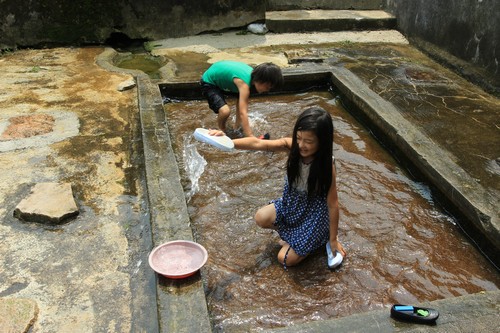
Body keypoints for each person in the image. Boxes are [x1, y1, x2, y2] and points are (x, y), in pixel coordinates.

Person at [213, 106, 346, 268]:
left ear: (322, 141)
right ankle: (297, 237)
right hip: (292, 205)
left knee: (284, 258)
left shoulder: (326, 165)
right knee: (261, 217)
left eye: (309, 141)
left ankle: (320, 240)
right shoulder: (292, 147)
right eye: (298, 138)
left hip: (313, 215)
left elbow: (333, 204)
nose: (302, 145)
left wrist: (333, 240)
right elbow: (257, 143)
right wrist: (227, 141)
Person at [200, 60, 283, 137]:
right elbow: (243, 112)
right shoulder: (244, 84)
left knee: (241, 102)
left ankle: (237, 127)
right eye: (268, 87)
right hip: (209, 81)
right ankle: (221, 130)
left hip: (222, 76)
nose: (267, 91)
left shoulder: (252, 77)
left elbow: (241, 107)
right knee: (225, 111)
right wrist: (250, 136)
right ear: (262, 80)